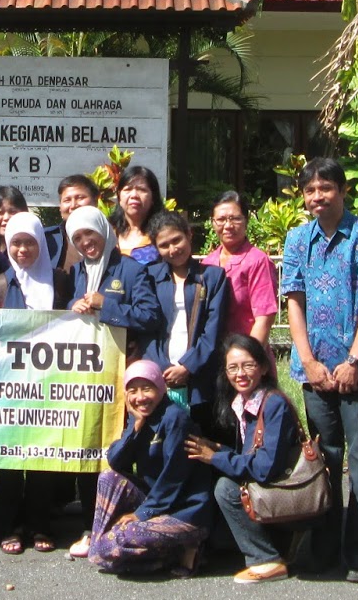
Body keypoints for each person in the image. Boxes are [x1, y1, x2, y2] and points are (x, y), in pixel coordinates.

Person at [281, 156, 358, 582]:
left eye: (326, 189)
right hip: (314, 373)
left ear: (342, 190)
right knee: (324, 458)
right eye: (310, 190)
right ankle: (325, 545)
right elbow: (293, 300)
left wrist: (353, 361)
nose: (318, 197)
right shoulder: (297, 240)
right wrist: (309, 361)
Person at [63, 205, 162, 556]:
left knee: (125, 449)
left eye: (90, 234)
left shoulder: (131, 269)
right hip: (88, 379)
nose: (86, 242)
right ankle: (93, 526)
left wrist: (106, 305)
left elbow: (150, 316)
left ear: (104, 232)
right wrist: (77, 305)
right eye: (77, 237)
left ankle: (131, 522)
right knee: (91, 447)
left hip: (126, 377)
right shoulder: (78, 272)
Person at [0, 211, 76, 554]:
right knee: (9, 459)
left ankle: (41, 524)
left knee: (42, 457)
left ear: (41, 243)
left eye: (29, 242)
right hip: (9, 387)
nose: (22, 250)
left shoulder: (61, 282)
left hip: (51, 385)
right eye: (16, 243)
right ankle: (8, 525)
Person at [184, 334, 301, 583]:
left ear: (265, 367)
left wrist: (215, 457)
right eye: (233, 368)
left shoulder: (273, 404)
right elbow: (248, 456)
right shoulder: (242, 403)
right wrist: (217, 449)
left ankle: (266, 558)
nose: (240, 374)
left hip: (284, 493)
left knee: (226, 489)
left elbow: (265, 468)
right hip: (265, 489)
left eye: (248, 365)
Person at [79, 360, 210, 576]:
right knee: (108, 478)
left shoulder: (175, 418)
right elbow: (115, 461)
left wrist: (142, 514)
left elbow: (174, 477)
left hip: (184, 510)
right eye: (133, 391)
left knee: (117, 542)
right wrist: (135, 428)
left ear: (160, 387)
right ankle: (100, 546)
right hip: (156, 500)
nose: (140, 397)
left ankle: (181, 550)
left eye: (147, 389)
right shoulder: (140, 416)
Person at [145, 211, 230, 425]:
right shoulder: (150, 277)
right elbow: (145, 326)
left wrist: (188, 367)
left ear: (189, 235)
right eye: (164, 245)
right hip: (159, 376)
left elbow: (213, 329)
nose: (173, 249)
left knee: (199, 442)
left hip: (200, 379)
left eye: (177, 240)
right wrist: (161, 367)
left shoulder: (213, 277)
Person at [201, 191, 279, 346]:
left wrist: (249, 357)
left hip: (247, 353)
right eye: (221, 220)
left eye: (235, 219)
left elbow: (264, 317)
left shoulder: (257, 261)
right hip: (213, 354)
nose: (228, 226)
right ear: (212, 222)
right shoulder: (207, 263)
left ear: (246, 220)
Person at [110, 165, 162, 265]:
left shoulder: (163, 232)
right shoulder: (108, 233)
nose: (134, 195)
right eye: (128, 189)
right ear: (119, 197)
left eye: (142, 189)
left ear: (153, 198)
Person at [45, 174, 99, 268]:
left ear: (95, 202)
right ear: (60, 207)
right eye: (67, 200)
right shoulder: (46, 240)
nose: (73, 205)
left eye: (80, 198)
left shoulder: (109, 237)